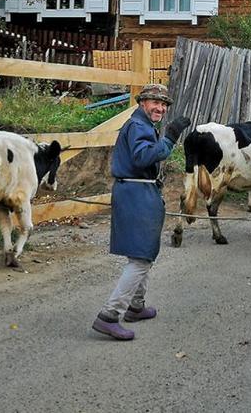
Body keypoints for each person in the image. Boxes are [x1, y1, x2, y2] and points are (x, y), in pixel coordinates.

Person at [92, 83, 190, 340]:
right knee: (141, 258)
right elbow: (142, 158)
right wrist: (169, 138)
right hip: (136, 194)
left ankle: (136, 306)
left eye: (163, 104)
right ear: (142, 103)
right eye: (154, 103)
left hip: (138, 191)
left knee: (141, 252)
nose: (159, 108)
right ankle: (109, 315)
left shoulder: (142, 125)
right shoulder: (138, 126)